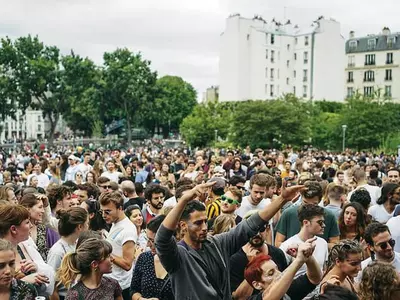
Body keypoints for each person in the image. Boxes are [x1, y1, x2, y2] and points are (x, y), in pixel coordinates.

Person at [155, 181, 305, 299]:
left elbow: (251, 225)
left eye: (205, 221)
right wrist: (184, 200)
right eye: (197, 223)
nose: (204, 227)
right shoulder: (177, 255)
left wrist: (282, 199)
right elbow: (161, 239)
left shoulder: (217, 243)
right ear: (183, 226)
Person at [230, 211, 288, 300]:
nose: (256, 234)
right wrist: (253, 265)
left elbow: (286, 283)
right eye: (251, 229)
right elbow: (238, 298)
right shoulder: (235, 259)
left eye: (261, 229)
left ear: (267, 229)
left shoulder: (278, 253)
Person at [243, 238, 322, 300]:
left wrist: (307, 257)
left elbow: (314, 278)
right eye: (271, 273)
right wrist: (298, 260)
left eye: (277, 269)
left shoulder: (288, 292)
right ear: (257, 285)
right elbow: (269, 297)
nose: (279, 273)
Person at [275, 180, 340, 248]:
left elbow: (335, 244)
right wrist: (297, 248)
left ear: (320, 200)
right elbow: (278, 243)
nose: (309, 208)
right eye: (305, 203)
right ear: (301, 197)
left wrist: (318, 246)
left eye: (314, 204)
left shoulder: (329, 216)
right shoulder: (288, 213)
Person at [99, 191, 137, 300]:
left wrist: (105, 252)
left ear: (120, 208)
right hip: (110, 282)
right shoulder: (115, 223)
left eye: (108, 212)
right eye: (102, 211)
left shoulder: (128, 229)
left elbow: (127, 264)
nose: (104, 215)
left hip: (121, 287)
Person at [58, 238, 123, 300]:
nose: (113, 259)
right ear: (94, 264)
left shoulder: (112, 284)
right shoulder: (74, 295)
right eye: (108, 256)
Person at [48, 207, 89, 299]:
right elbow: (52, 286)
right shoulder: (57, 252)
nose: (88, 226)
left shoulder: (78, 243)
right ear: (80, 227)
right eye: (87, 223)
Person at [131, 215, 174, 300]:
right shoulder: (144, 258)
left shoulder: (182, 261)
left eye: (153, 241)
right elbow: (134, 290)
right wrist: (141, 299)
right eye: (148, 239)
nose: (148, 244)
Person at [279, 204, 328, 277]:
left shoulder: (323, 243)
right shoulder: (287, 245)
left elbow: (324, 270)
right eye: (320, 222)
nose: (324, 225)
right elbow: (280, 276)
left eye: (323, 222)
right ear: (306, 222)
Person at [19, 193, 59, 261]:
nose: (43, 211)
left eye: (43, 207)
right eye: (40, 207)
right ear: (28, 208)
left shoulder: (43, 228)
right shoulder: (18, 230)